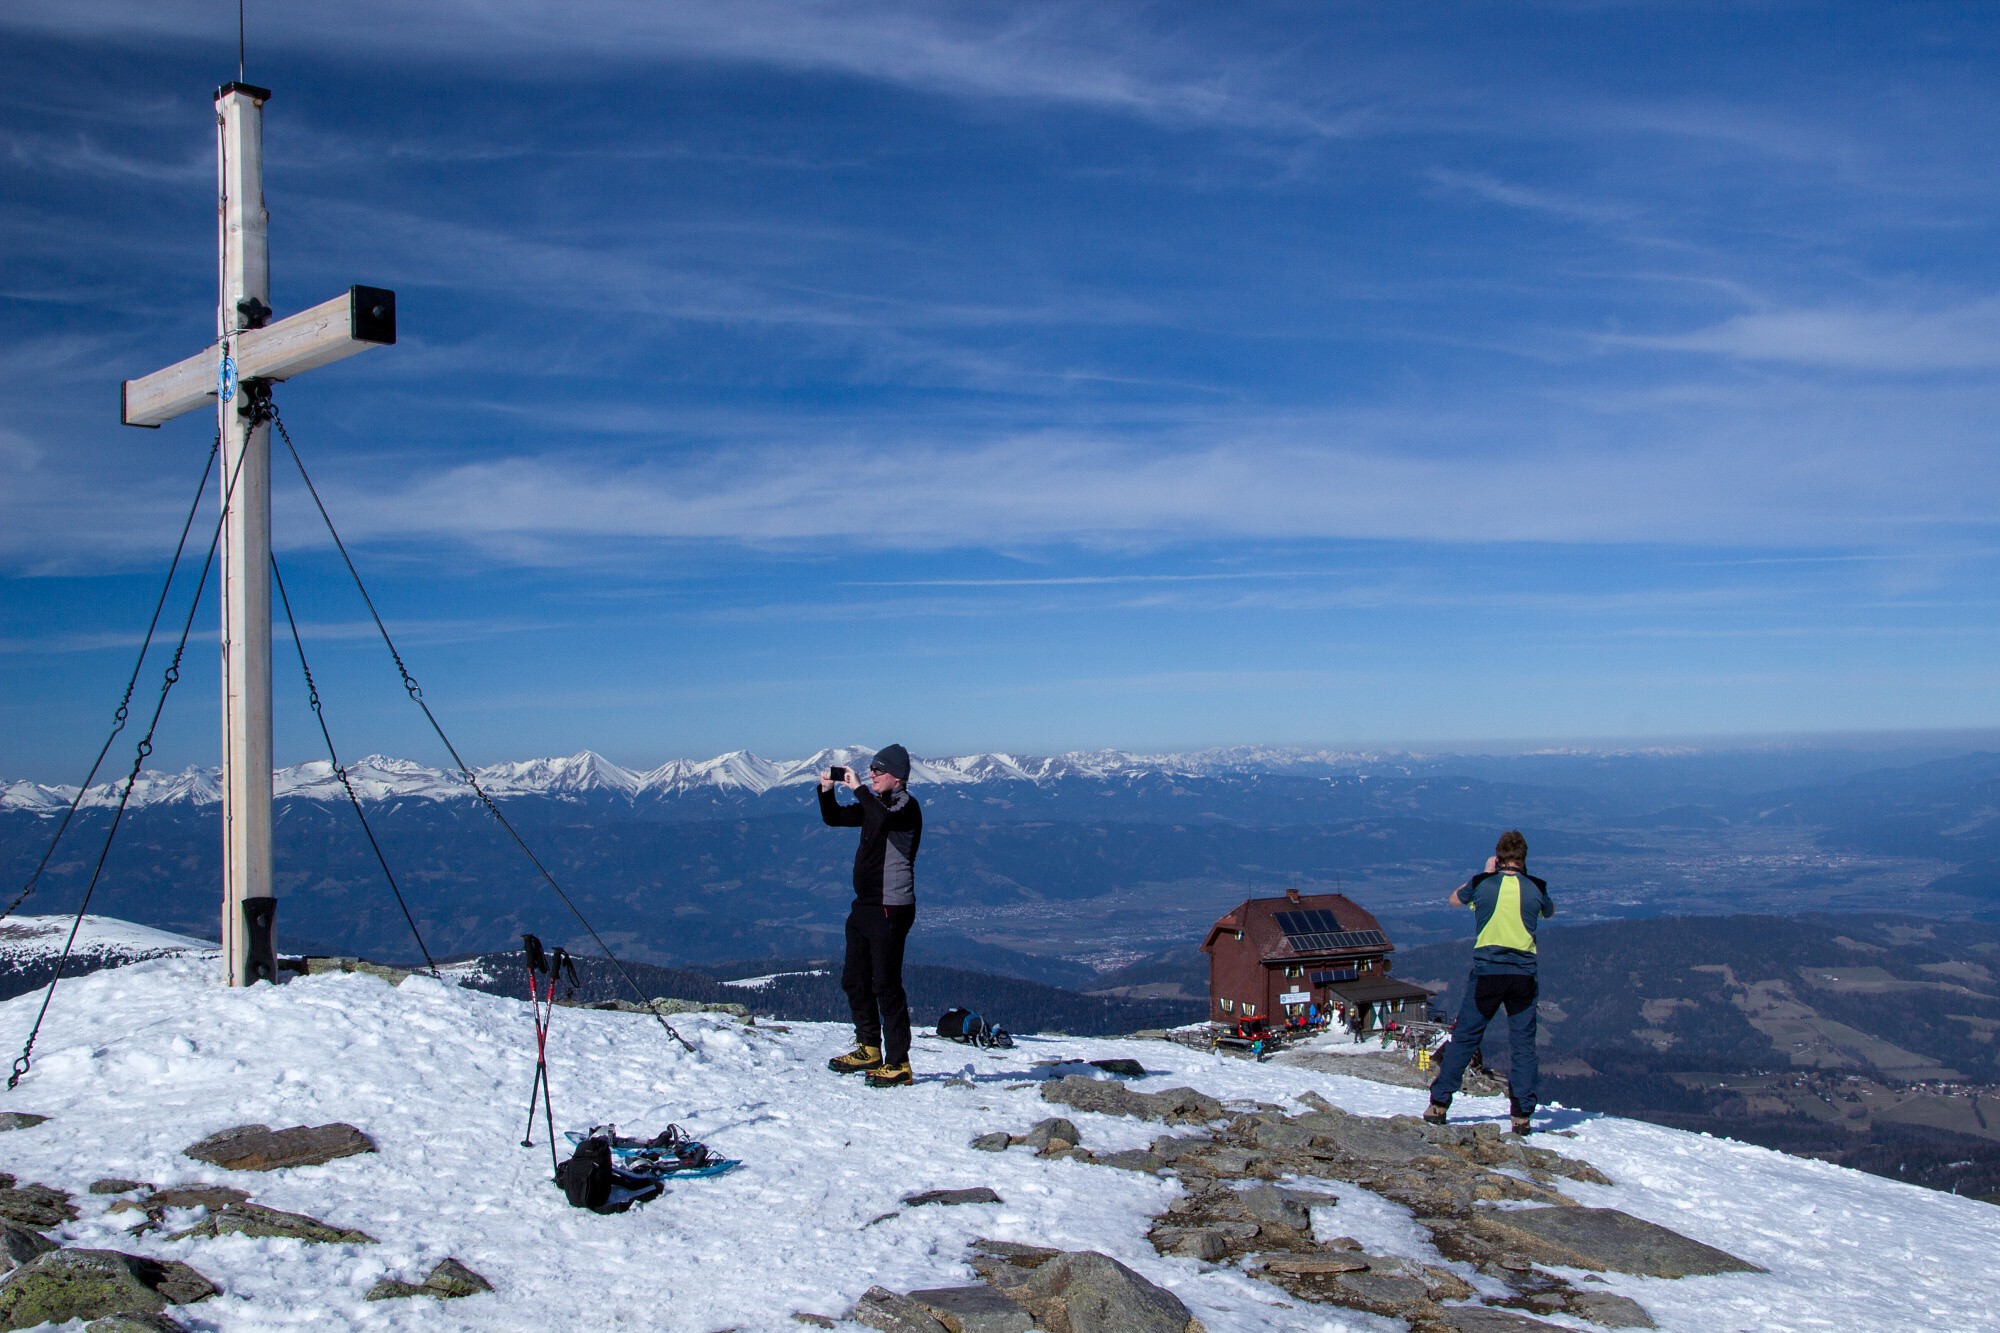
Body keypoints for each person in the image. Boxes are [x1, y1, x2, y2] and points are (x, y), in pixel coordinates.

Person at [1425, 830, 1555, 1134]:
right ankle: (1521, 1115)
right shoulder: (1535, 888)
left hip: (1488, 974)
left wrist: (1485, 873)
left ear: (1498, 858)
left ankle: (1439, 1104)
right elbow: (1549, 911)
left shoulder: (1483, 885)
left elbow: (1454, 899)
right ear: (1523, 859)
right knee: (1523, 1045)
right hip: (1523, 976)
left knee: (1466, 1039)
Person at [819, 744, 923, 1088]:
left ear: (897, 776)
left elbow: (884, 819)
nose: (873, 775)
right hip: (865, 904)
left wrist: (859, 788)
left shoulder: (906, 807)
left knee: (885, 984)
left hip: (891, 907)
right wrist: (826, 790)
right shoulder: (875, 805)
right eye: (871, 770)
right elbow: (834, 818)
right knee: (854, 979)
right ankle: (868, 1047)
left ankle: (899, 1062)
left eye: (879, 771)